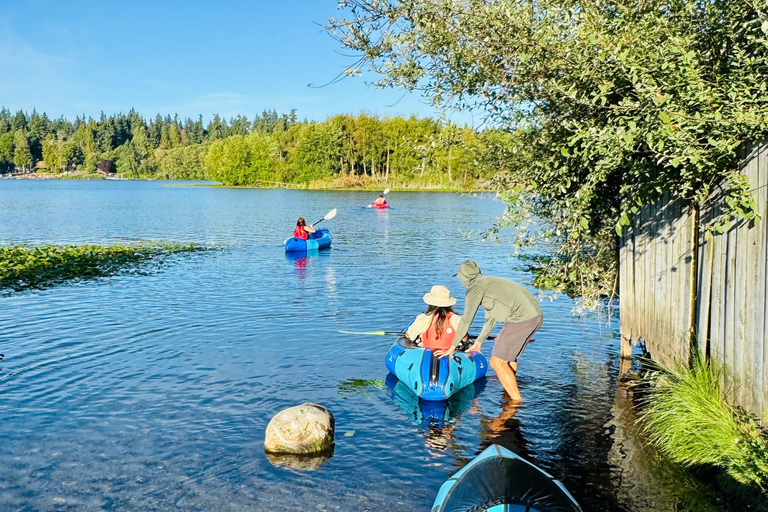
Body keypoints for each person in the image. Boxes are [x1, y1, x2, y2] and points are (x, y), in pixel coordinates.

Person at [436, 260, 543, 402]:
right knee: (508, 359)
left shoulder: (475, 288)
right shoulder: (488, 283)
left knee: (496, 362)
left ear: (463, 277)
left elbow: (466, 320)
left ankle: (516, 403)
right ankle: (509, 392)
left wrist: (452, 347)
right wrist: (479, 341)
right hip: (535, 316)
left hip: (520, 318)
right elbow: (491, 317)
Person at [404, 285, 462, 351]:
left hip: (427, 352)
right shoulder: (455, 319)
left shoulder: (423, 318)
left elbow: (409, 335)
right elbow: (464, 338)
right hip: (450, 352)